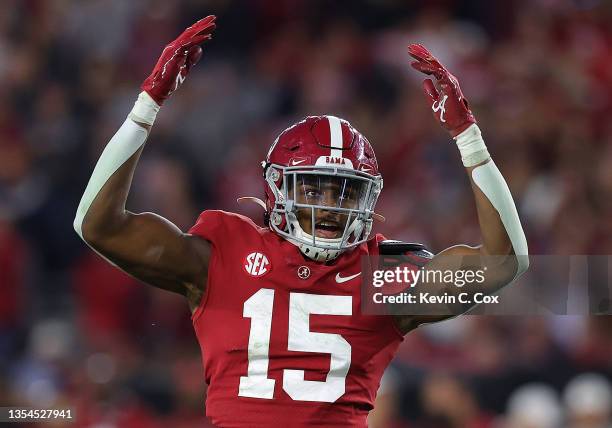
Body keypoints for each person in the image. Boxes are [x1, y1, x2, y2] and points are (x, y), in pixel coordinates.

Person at [73, 16, 529, 427]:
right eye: (314, 188)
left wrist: (469, 136)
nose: (330, 206)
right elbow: (97, 225)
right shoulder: (222, 256)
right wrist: (147, 104)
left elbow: (505, 262)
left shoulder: (380, 280)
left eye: (346, 191)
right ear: (278, 187)